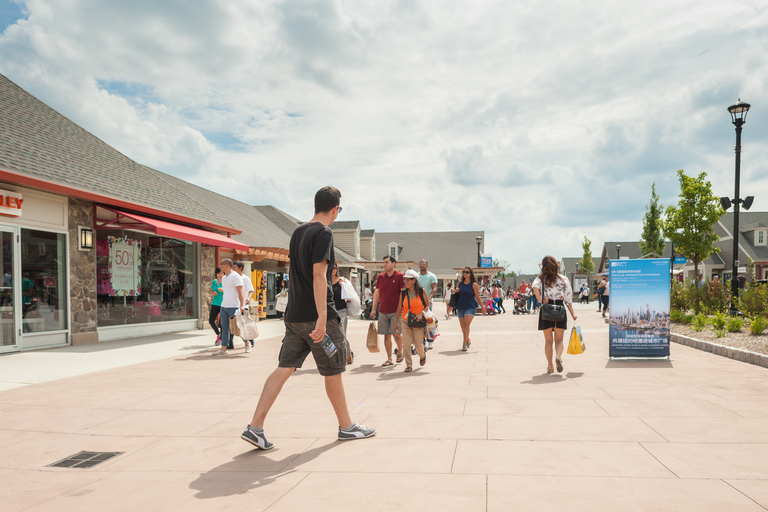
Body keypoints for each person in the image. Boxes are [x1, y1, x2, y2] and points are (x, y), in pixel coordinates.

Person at [242, 186, 376, 450]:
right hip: (316, 317)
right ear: (336, 209)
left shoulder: (298, 232)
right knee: (333, 370)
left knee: (284, 368)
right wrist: (323, 317)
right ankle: (347, 427)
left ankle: (255, 427)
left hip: (294, 315)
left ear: (316, 205)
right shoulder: (324, 233)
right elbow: (318, 276)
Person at [532, 255, 578, 374]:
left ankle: (550, 365)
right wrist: (572, 313)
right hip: (559, 309)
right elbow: (568, 298)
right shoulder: (563, 279)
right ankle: (558, 356)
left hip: (546, 309)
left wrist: (540, 299)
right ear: (556, 266)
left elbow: (534, 286)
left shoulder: (540, 279)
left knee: (548, 341)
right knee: (559, 339)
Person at [370, 255, 405, 366]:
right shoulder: (380, 277)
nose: (384, 264)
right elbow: (377, 294)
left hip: (396, 311)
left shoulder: (400, 276)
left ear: (393, 264)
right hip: (383, 311)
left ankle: (400, 349)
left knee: (396, 334)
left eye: (386, 262)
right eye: (383, 262)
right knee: (386, 335)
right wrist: (373, 309)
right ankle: (389, 358)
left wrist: (402, 309)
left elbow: (403, 294)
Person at [394, 269, 429, 372]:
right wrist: (396, 322)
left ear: (414, 280)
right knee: (406, 344)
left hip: (418, 320)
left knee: (418, 345)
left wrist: (421, 314)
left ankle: (422, 355)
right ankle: (409, 365)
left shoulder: (421, 291)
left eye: (408, 280)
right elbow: (399, 308)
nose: (406, 282)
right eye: (405, 280)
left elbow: (427, 305)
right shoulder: (403, 293)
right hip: (405, 320)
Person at [213, 259, 246, 355]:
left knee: (238, 327)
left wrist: (242, 305)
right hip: (224, 306)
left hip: (234, 306)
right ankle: (224, 348)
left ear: (226, 265)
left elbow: (240, 292)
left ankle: (247, 343)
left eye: (221, 264)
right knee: (224, 328)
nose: (220, 266)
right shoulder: (224, 278)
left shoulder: (235, 276)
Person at [454, 267, 485, 351]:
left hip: (470, 305)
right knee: (462, 326)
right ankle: (467, 339)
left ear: (470, 274)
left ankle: (464, 344)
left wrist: (482, 307)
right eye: (464, 272)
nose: (465, 273)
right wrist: (455, 291)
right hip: (460, 305)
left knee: (466, 324)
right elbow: (456, 295)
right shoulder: (460, 283)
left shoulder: (474, 284)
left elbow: (477, 297)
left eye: (467, 272)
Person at [332, 263, 354, 365]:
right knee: (329, 337)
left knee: (342, 336)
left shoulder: (342, 281)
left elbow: (349, 297)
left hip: (341, 312)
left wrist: (344, 286)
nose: (333, 269)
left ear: (337, 269)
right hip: (328, 312)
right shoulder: (325, 281)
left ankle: (348, 353)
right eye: (331, 267)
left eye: (335, 268)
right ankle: (334, 358)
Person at [234, 262, 256, 348]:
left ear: (240, 268)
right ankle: (230, 344)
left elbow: (251, 290)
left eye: (235, 267)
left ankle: (250, 341)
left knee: (245, 325)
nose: (233, 269)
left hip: (243, 306)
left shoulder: (246, 279)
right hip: (234, 305)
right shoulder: (232, 278)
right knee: (234, 325)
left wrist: (249, 298)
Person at [209, 267, 223, 345]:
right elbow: (210, 292)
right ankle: (218, 334)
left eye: (221, 273)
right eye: (218, 273)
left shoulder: (225, 282)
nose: (220, 275)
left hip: (223, 304)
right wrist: (213, 293)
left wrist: (223, 290)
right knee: (211, 321)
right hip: (215, 304)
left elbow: (229, 292)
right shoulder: (214, 281)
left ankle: (221, 338)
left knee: (221, 323)